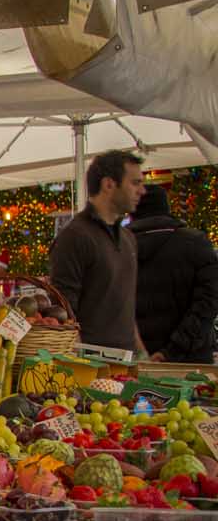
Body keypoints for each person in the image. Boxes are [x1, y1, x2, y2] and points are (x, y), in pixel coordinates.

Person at [49, 150, 147, 353]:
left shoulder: (128, 239)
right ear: (109, 184)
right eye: (135, 183)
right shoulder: (75, 237)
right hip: (94, 368)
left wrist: (142, 354)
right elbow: (64, 312)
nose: (142, 191)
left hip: (129, 364)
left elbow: (125, 307)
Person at [130, 184, 218, 363]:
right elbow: (209, 303)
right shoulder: (196, 244)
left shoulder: (120, 249)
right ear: (166, 207)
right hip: (191, 363)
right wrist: (173, 351)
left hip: (136, 363)